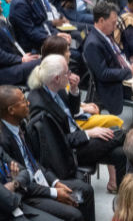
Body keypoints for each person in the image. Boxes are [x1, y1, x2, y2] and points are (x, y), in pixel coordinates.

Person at [26, 55, 127, 191]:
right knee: (123, 135)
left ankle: (124, 198)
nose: (70, 75)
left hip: (78, 138)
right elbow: (57, 143)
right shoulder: (40, 106)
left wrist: (74, 90)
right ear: (56, 78)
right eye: (67, 72)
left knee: (121, 153)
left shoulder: (56, 89)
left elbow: (72, 112)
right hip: (69, 151)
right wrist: (88, 133)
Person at [0, 86, 93, 221]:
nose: (28, 103)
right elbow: (19, 182)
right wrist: (54, 193)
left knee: (86, 190)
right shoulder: (2, 141)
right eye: (23, 101)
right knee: (74, 215)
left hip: (39, 180)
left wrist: (55, 182)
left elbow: (33, 161)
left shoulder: (20, 124)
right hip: (27, 193)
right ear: (11, 110)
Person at [82, 2, 133, 114]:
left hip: (123, 75)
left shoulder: (106, 35)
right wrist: (129, 71)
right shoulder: (93, 44)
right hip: (114, 86)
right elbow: (103, 74)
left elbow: (118, 56)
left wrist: (131, 63)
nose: (116, 26)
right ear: (101, 21)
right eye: (113, 23)